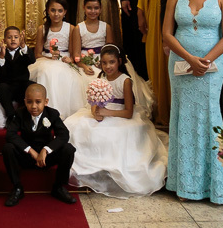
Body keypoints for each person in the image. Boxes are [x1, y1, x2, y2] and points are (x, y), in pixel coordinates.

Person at [163, 0, 223, 205]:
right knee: (183, 117)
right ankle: (185, 185)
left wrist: (205, 61)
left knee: (209, 116)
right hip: (180, 64)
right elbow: (167, 34)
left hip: (212, 66)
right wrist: (189, 59)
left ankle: (216, 186)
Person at [64, 45, 167, 198]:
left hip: (120, 114)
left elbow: (128, 112)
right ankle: (86, 169)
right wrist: (95, 112)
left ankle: (110, 170)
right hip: (102, 112)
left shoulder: (125, 81)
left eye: (111, 62)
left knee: (112, 133)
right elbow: (94, 102)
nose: (108, 66)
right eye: (104, 63)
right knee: (76, 125)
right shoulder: (100, 79)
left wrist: (107, 113)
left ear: (119, 61)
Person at [2, 83, 76, 206]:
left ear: (45, 102)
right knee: (8, 148)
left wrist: (45, 150)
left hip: (46, 158)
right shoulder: (20, 114)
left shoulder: (52, 114)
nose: (34, 106)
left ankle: (59, 187)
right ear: (25, 102)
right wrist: (30, 151)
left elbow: (64, 135)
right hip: (27, 157)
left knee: (68, 149)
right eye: (29, 102)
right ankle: (17, 188)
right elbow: (10, 134)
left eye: (38, 102)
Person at [29, 0, 88, 120]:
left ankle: (60, 111)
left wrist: (70, 59)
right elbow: (37, 54)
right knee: (47, 71)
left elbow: (73, 53)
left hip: (64, 59)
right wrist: (50, 58)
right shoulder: (42, 29)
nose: (56, 14)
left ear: (65, 12)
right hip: (46, 59)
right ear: (47, 11)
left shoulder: (71, 28)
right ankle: (46, 110)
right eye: (53, 10)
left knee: (65, 75)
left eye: (60, 11)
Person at [0, 26, 36, 118]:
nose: (13, 39)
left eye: (16, 37)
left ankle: (26, 114)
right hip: (8, 87)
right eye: (9, 37)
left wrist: (23, 46)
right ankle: (11, 115)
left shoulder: (24, 52)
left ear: (20, 38)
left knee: (32, 86)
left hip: (22, 86)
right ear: (4, 40)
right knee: (1, 87)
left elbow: (32, 60)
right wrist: (2, 57)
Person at [70, 0, 114, 77]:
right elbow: (76, 54)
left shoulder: (106, 27)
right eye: (89, 8)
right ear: (84, 8)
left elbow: (110, 50)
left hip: (103, 61)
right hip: (85, 62)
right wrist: (84, 67)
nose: (93, 11)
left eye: (96, 8)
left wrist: (104, 63)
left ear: (100, 9)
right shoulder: (78, 28)